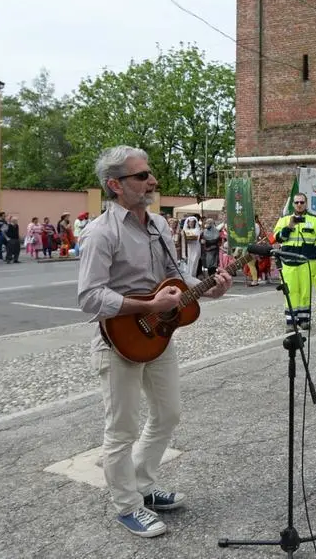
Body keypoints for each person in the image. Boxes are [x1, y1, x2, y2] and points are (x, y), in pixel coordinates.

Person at [77, 145, 233, 538]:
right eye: (141, 176)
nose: (152, 181)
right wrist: (147, 303)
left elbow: (176, 277)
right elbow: (90, 298)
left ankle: (142, 486)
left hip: (158, 338)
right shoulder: (101, 232)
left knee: (168, 414)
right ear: (115, 184)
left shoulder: (160, 226)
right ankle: (126, 505)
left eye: (149, 174)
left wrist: (207, 289)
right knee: (122, 429)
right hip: (118, 341)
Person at [274, 192, 316, 330]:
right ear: (293, 204)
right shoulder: (284, 220)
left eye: (301, 202)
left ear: (306, 203)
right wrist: (289, 227)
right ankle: (291, 321)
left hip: (307, 262)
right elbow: (278, 239)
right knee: (290, 291)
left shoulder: (315, 221)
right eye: (296, 202)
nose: (299, 205)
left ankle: (304, 319)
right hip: (288, 261)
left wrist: (314, 255)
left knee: (305, 291)